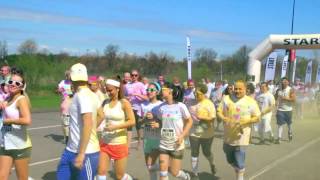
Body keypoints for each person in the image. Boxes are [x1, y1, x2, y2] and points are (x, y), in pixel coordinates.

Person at [56, 63, 100, 180]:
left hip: (86, 153)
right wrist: (93, 130)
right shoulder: (92, 95)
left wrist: (81, 153)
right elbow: (101, 115)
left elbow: (88, 123)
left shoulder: (82, 96)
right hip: (70, 149)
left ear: (71, 78)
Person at [217, 80, 260, 180]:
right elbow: (219, 111)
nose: (237, 91)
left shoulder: (251, 101)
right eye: (236, 88)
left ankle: (240, 176)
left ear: (245, 89)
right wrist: (224, 118)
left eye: (240, 89)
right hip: (228, 136)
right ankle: (238, 169)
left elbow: (257, 117)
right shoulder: (226, 99)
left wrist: (246, 121)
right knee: (229, 158)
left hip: (242, 137)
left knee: (240, 160)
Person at [96, 78, 135, 180]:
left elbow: (132, 121)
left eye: (110, 90)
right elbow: (99, 118)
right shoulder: (105, 102)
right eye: (107, 90)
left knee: (119, 176)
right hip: (105, 143)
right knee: (100, 172)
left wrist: (115, 127)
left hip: (119, 144)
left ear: (117, 89)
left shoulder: (124, 103)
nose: (108, 92)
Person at [156, 82, 192, 180]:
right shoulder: (161, 107)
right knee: (163, 172)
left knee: (174, 172)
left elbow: (189, 122)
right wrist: (157, 124)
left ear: (170, 91)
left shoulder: (181, 106)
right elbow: (161, 122)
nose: (161, 91)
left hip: (177, 144)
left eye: (163, 89)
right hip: (164, 143)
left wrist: (182, 136)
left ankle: (186, 177)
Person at [0, 70, 32, 180]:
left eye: (17, 83)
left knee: (22, 178)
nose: (13, 84)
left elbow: (27, 120)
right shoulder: (7, 98)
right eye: (11, 81)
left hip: (20, 146)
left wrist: (9, 121)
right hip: (6, 144)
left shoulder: (21, 99)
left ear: (22, 87)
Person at [189, 84, 216, 179]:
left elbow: (212, 119)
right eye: (195, 93)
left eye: (198, 94)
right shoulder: (190, 102)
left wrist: (203, 118)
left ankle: (212, 163)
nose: (196, 95)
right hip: (193, 132)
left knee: (206, 152)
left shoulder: (209, 104)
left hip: (207, 133)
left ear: (204, 93)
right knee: (194, 152)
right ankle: (195, 173)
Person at [140, 82, 163, 180]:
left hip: (158, 139)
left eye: (152, 90)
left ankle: (166, 168)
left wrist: (157, 122)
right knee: (149, 167)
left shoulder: (162, 105)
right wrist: (145, 118)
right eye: (148, 90)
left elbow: (167, 122)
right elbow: (140, 122)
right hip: (147, 139)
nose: (149, 92)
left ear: (157, 92)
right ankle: (164, 169)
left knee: (150, 163)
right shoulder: (143, 105)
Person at [124, 70, 148, 149]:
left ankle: (139, 141)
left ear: (138, 76)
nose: (134, 77)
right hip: (129, 107)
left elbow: (146, 97)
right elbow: (124, 96)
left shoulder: (141, 85)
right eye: (132, 75)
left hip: (138, 108)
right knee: (129, 126)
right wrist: (127, 98)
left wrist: (137, 94)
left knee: (138, 126)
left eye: (135, 75)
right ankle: (128, 145)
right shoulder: (127, 85)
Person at [275, 77, 296, 144]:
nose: (284, 83)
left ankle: (290, 132)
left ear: (288, 82)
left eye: (285, 81)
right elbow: (275, 97)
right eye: (283, 81)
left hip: (288, 110)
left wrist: (285, 98)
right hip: (280, 109)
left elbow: (293, 99)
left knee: (289, 124)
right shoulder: (278, 90)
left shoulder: (290, 90)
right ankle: (279, 138)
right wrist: (275, 102)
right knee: (280, 124)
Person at [57, 70, 73, 144]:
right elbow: (58, 90)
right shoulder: (63, 82)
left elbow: (73, 93)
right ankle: (66, 137)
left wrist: (68, 92)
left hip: (72, 103)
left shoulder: (74, 83)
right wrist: (60, 90)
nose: (68, 76)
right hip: (65, 103)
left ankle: (69, 137)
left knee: (70, 122)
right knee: (64, 122)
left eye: (69, 75)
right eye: (67, 75)